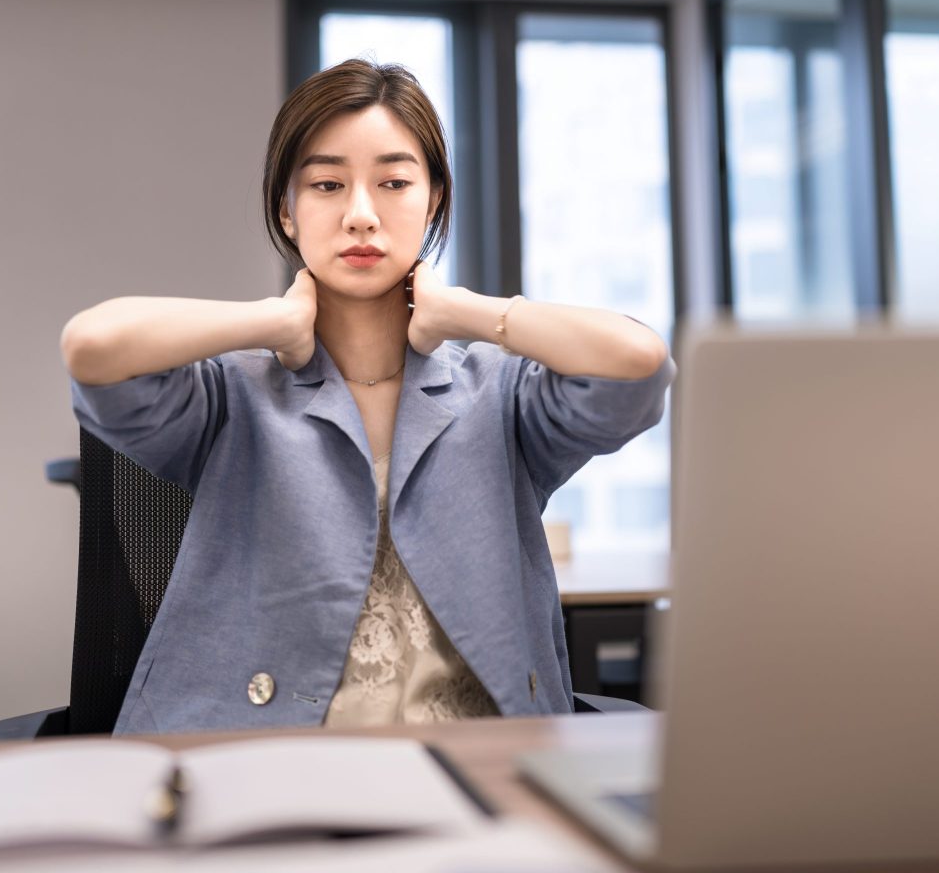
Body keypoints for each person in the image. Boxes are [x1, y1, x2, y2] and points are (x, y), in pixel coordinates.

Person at [60, 58, 675, 734]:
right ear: (286, 213)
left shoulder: (500, 396)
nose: (360, 214)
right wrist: (271, 322)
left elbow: (638, 363)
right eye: (326, 184)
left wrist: (468, 312)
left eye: (393, 182)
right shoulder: (231, 395)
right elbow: (93, 346)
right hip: (258, 767)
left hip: (476, 761)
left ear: (433, 199)